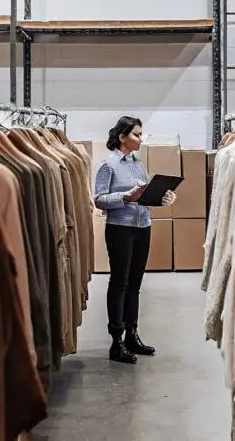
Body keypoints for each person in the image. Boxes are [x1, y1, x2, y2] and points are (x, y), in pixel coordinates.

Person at [93, 116, 176, 364]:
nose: (141, 139)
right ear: (122, 137)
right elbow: (98, 200)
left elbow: (145, 195)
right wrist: (126, 197)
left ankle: (132, 334)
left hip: (143, 226)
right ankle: (116, 341)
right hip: (120, 228)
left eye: (141, 134)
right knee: (120, 282)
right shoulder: (107, 165)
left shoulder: (138, 164)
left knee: (136, 282)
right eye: (137, 135)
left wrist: (162, 198)